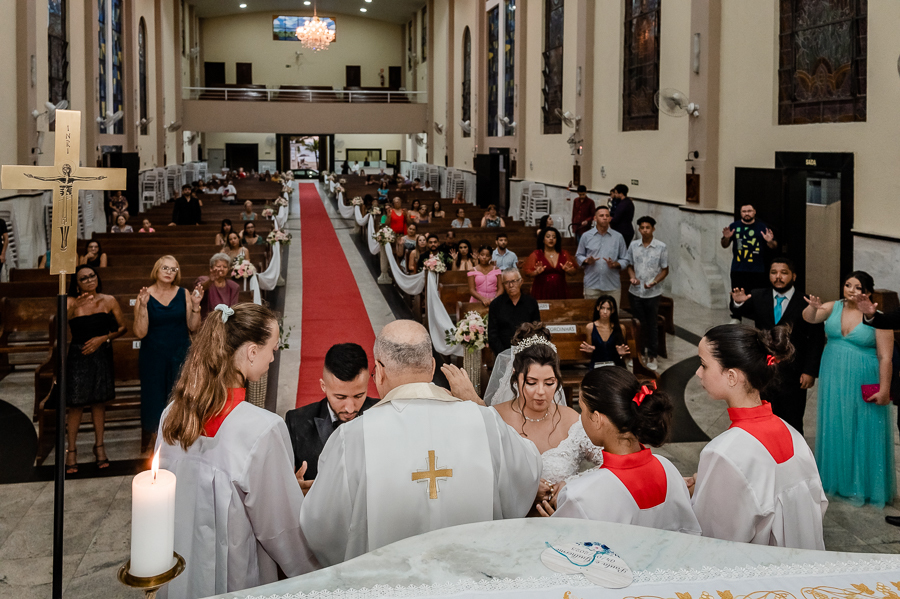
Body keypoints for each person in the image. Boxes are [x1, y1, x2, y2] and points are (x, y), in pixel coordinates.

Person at [298, 320, 542, 567]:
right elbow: (528, 470)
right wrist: (478, 404)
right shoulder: (484, 421)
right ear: (433, 366)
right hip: (472, 576)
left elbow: (321, 525)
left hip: (388, 580)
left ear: (379, 371)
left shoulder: (352, 437)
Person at [158, 303, 318, 598]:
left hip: (180, 565)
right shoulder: (262, 428)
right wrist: (318, 574)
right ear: (252, 352)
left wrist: (279, 486)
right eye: (272, 348)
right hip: (234, 576)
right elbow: (280, 530)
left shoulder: (172, 414)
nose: (273, 358)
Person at [690, 324, 827, 549]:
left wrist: (701, 491)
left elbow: (714, 539)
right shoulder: (793, 434)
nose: (698, 372)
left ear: (731, 376)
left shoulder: (723, 453)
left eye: (704, 365)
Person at [537, 367, 702, 536]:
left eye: (582, 410)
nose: (581, 417)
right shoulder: (669, 470)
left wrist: (556, 528)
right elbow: (690, 533)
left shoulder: (580, 496)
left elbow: (572, 547)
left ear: (597, 419)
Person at [802, 271, 895, 507]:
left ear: (868, 292)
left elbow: (885, 357)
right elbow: (810, 318)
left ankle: (863, 485)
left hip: (863, 376)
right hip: (833, 375)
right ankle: (839, 480)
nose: (851, 290)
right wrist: (812, 307)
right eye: (848, 285)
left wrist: (885, 389)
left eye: (858, 287)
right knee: (835, 422)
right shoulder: (834, 306)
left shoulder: (878, 318)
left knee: (863, 426)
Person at [730, 257, 825, 433]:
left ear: (793, 276)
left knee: (792, 421)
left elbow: (816, 339)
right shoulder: (758, 296)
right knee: (763, 419)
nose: (778, 277)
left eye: (784, 273)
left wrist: (810, 371)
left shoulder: (805, 302)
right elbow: (740, 310)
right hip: (764, 371)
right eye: (774, 272)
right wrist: (738, 302)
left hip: (793, 373)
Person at [285, 343, 379, 492]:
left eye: (359, 395)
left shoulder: (383, 414)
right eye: (340, 397)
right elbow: (281, 481)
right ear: (323, 386)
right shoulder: (297, 422)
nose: (350, 408)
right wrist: (293, 490)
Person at [134, 255, 203, 452]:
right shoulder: (145, 295)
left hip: (179, 353)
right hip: (153, 355)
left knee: (180, 397)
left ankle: (180, 444)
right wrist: (143, 306)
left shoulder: (183, 293)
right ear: (156, 270)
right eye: (165, 268)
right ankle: (158, 446)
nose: (169, 272)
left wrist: (196, 306)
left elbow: (193, 327)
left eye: (173, 269)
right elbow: (139, 332)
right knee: (154, 399)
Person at [63, 265, 127, 474]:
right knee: (76, 405)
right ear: (77, 283)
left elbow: (122, 328)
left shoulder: (108, 300)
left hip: (101, 355)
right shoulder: (70, 302)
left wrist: (103, 338)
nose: (90, 280)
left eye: (92, 276)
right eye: (84, 278)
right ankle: (71, 450)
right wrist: (74, 307)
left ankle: (99, 447)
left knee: (99, 403)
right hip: (78, 355)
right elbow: (61, 327)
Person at [625, 216, 669, 371]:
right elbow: (629, 265)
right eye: (642, 228)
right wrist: (632, 277)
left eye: (647, 227)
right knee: (638, 324)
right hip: (636, 292)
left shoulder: (661, 247)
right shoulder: (633, 246)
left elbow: (665, 270)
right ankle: (638, 353)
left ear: (653, 229)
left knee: (651, 324)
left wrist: (654, 281)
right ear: (639, 229)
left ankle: (652, 355)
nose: (645, 230)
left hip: (653, 293)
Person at [722, 203, 777, 321]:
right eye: (744, 211)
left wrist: (769, 241)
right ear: (740, 213)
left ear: (754, 212)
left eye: (749, 211)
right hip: (738, 268)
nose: (747, 214)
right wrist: (727, 237)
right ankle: (736, 316)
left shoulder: (762, 227)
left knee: (757, 295)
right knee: (736, 292)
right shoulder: (734, 226)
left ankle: (757, 317)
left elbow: (773, 246)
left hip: (757, 269)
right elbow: (724, 245)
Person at [575, 206, 628, 303]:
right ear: (595, 218)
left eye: (607, 216)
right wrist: (586, 260)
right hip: (592, 285)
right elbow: (579, 255)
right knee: (592, 312)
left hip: (612, 285)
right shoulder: (586, 236)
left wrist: (616, 264)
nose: (605, 218)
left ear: (610, 218)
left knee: (612, 312)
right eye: (601, 215)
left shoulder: (618, 237)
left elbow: (625, 259)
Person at [488, 268, 541, 355]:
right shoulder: (496, 304)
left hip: (527, 353)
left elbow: (536, 330)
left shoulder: (531, 302)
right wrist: (504, 355)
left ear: (521, 281)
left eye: (514, 281)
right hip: (503, 353)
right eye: (507, 282)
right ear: (503, 285)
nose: (511, 285)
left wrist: (528, 353)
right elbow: (492, 335)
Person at [524, 227, 576, 300]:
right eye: (548, 237)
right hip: (541, 289)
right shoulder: (536, 254)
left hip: (560, 289)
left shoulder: (564, 254)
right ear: (543, 239)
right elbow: (527, 273)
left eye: (554, 237)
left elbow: (574, 271)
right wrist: (536, 272)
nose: (551, 239)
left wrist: (569, 270)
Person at [580, 295, 630, 369]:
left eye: (608, 309)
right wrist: (589, 352)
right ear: (598, 308)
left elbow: (624, 355)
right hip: (597, 367)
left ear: (613, 310)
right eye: (602, 308)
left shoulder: (620, 328)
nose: (605, 312)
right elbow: (589, 353)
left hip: (615, 367)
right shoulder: (590, 327)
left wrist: (621, 355)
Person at [194, 253, 241, 319]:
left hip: (226, 321)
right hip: (206, 320)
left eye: (225, 267)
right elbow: (199, 290)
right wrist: (210, 280)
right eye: (218, 266)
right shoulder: (203, 280)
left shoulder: (234, 286)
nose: (221, 269)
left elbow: (233, 308)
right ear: (211, 268)